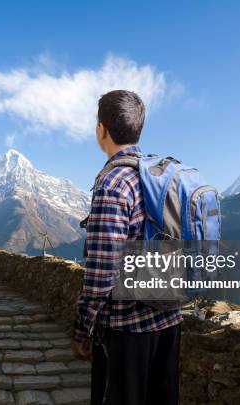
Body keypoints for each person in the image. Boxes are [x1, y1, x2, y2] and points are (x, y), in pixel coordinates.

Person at [71, 90, 182, 405]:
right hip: (169, 320)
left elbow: (102, 271)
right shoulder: (161, 178)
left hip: (126, 330)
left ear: (101, 130)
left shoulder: (113, 185)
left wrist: (82, 330)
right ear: (139, 129)